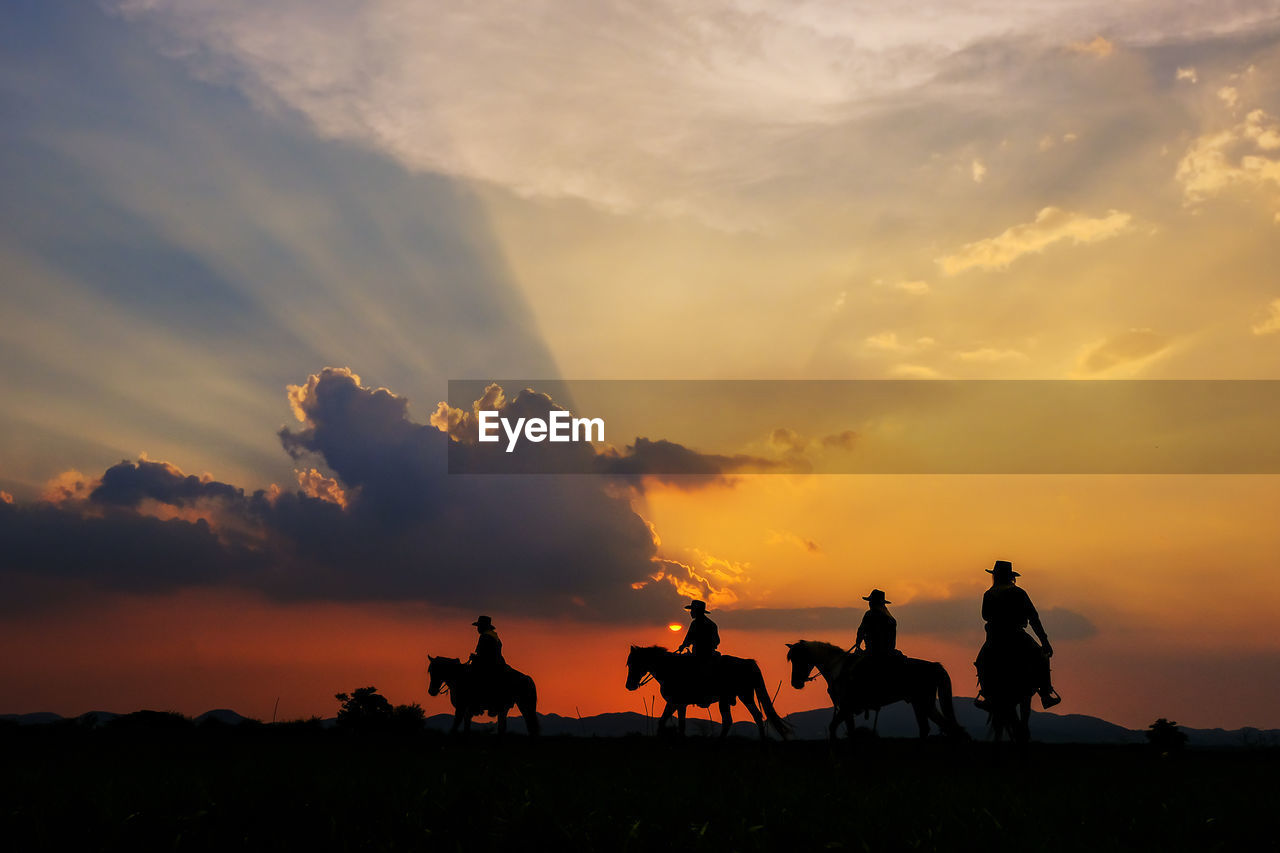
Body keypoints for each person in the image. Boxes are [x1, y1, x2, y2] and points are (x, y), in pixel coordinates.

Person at [974, 561, 1061, 710]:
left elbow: (984, 615)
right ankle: (1046, 694)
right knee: (1042, 656)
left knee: (981, 661)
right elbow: (1033, 618)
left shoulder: (988, 594)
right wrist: (1044, 641)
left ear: (995, 576)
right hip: (1017, 636)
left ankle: (987, 694)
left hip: (995, 638)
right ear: (1011, 577)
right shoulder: (1019, 593)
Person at [469, 615, 508, 713]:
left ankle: (477, 704)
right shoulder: (495, 636)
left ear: (483, 627)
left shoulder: (485, 636)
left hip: (489, 664)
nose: (478, 629)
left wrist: (474, 658)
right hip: (499, 663)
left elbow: (485, 655)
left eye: (479, 626)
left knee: (474, 679)